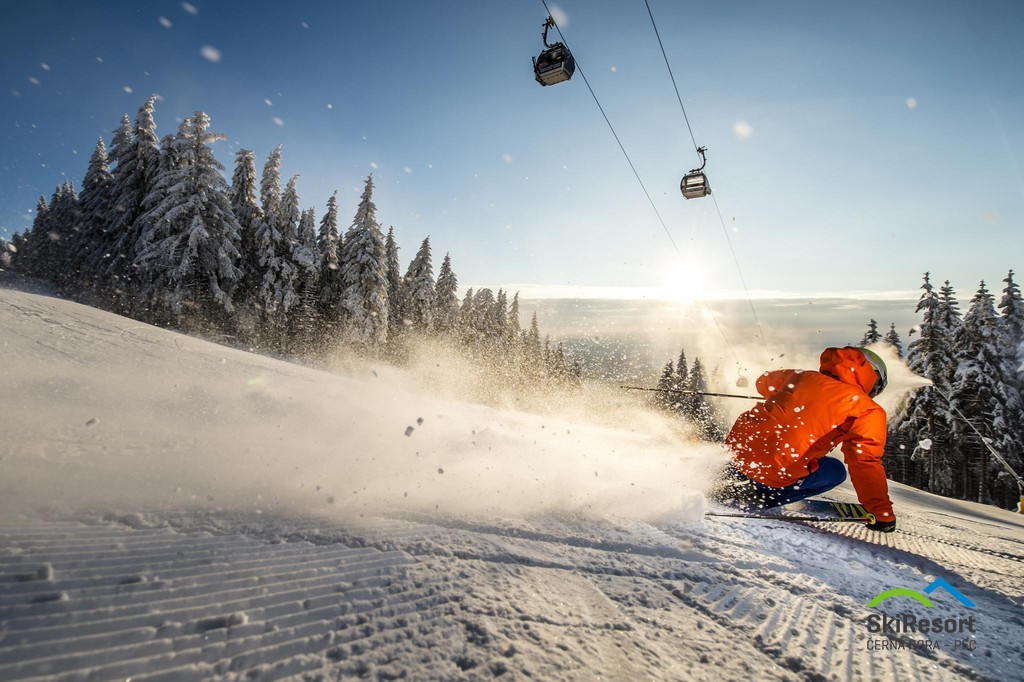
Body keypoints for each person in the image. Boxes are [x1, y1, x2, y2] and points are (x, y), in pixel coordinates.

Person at [719, 346, 896, 532]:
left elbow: (763, 382)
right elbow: (864, 461)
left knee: (767, 449)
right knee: (836, 471)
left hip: (737, 453)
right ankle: (761, 496)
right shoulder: (868, 410)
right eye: (876, 389)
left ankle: (732, 476)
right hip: (774, 471)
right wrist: (882, 513)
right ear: (872, 376)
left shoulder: (801, 376)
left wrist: (788, 393)